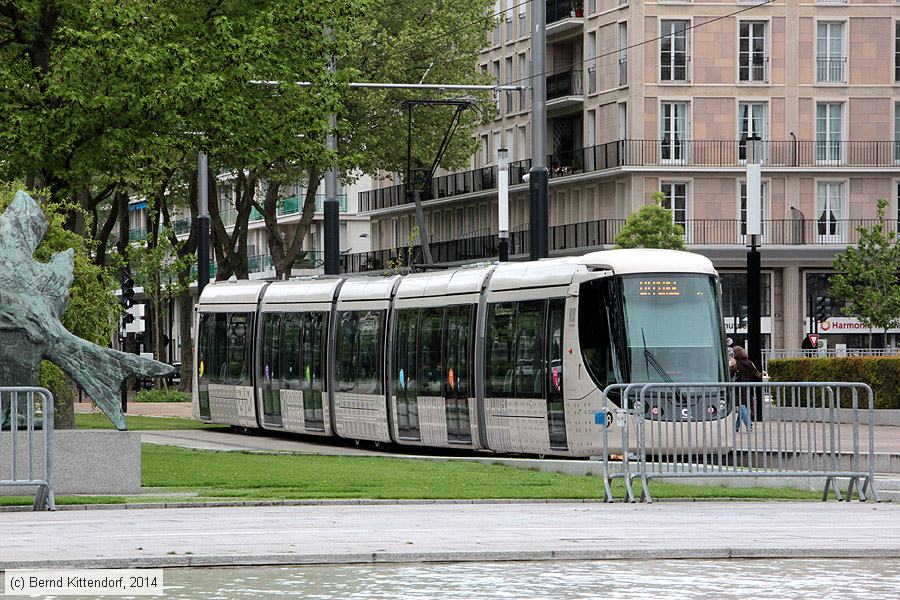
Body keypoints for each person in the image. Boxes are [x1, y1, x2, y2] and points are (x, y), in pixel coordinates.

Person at [731, 345, 766, 433]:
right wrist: (763, 373)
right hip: (748, 386)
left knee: (741, 405)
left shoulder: (735, 363)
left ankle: (748, 424)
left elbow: (730, 373)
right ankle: (736, 426)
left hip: (737, 386)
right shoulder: (749, 362)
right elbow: (757, 374)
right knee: (743, 405)